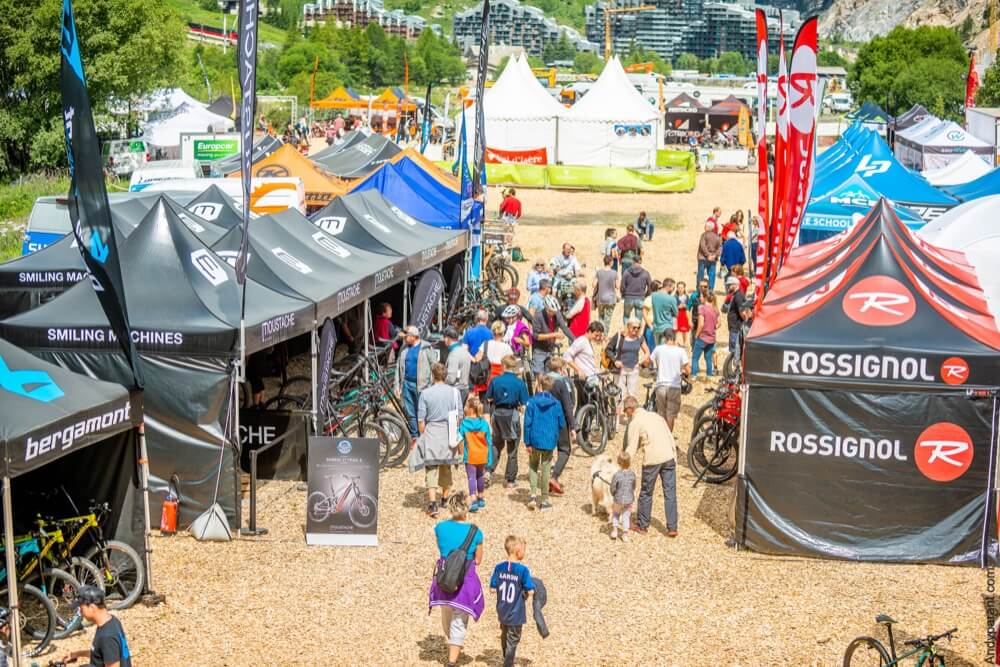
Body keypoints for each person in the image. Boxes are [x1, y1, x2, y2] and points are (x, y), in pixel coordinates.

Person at [429, 494, 485, 667]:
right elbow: (478, 560)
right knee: (459, 620)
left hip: (444, 578)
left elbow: (442, 550)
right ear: (466, 508)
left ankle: (452, 642)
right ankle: (452, 662)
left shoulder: (440, 528)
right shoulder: (476, 532)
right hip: (464, 580)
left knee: (447, 612)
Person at [622, 396, 678, 537]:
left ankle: (642, 525)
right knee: (670, 492)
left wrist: (623, 466)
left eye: (625, 411)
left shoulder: (635, 422)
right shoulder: (655, 416)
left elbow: (631, 448)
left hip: (653, 459)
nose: (625, 414)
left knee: (646, 492)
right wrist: (674, 455)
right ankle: (672, 527)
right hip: (668, 455)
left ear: (631, 409)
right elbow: (669, 435)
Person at [415, 363, 463, 516]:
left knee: (431, 467)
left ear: (432, 375)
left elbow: (421, 420)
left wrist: (424, 434)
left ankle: (432, 504)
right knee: (446, 466)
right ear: (446, 375)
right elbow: (460, 416)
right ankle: (444, 498)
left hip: (432, 430)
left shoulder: (425, 393)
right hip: (448, 430)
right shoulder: (455, 392)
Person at [490, 536, 535, 667]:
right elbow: (530, 589)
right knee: (513, 638)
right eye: (524, 550)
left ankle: (506, 657)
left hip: (502, 610)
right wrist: (532, 590)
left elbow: (493, 588)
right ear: (517, 550)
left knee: (504, 634)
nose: (525, 553)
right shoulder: (523, 570)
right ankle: (508, 663)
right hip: (516, 612)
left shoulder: (499, 567)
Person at [485, 356, 530, 489]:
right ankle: (510, 480)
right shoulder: (519, 382)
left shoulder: (495, 380)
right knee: (512, 448)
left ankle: (488, 471)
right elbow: (524, 405)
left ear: (504, 366)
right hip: (512, 415)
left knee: (496, 444)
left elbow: (488, 399)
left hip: (498, 414)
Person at [523, 374, 566, 511]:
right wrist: (554, 433)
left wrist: (527, 442)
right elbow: (561, 423)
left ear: (540, 386)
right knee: (546, 467)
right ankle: (545, 499)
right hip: (549, 441)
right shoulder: (556, 403)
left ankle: (532, 495)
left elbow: (527, 423)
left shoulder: (532, 402)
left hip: (535, 439)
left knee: (533, 466)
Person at [61, 586, 132, 667]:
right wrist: (76, 654)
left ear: (91, 607)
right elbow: (101, 653)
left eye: (81, 608)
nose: (80, 612)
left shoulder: (107, 637)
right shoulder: (112, 620)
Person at [545, 357, 577, 496]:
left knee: (546, 450)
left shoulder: (543, 380)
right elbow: (567, 406)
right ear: (560, 369)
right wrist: (573, 426)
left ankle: (544, 478)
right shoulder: (562, 383)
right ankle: (554, 476)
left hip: (544, 419)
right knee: (564, 450)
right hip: (560, 420)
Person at [397, 326, 436, 438]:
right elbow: (398, 368)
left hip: (422, 386)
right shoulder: (404, 348)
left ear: (414, 337)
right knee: (410, 412)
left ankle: (424, 436)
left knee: (422, 412)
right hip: (406, 384)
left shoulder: (426, 348)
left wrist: (431, 385)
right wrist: (397, 385)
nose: (404, 338)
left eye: (407, 336)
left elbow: (434, 366)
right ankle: (415, 436)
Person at [647, 330, 690, 432]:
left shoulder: (658, 349)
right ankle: (668, 439)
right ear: (674, 338)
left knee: (662, 414)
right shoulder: (680, 351)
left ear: (665, 338)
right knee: (670, 415)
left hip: (660, 385)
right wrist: (685, 374)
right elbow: (688, 369)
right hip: (674, 386)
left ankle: (661, 437)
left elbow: (648, 361)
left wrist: (642, 365)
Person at [459, 396, 493, 512]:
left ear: (470, 409)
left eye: (466, 406)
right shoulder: (484, 424)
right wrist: (489, 458)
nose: (465, 408)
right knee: (480, 476)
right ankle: (481, 497)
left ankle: (473, 499)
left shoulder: (464, 424)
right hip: (482, 454)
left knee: (471, 477)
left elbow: (459, 438)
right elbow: (489, 441)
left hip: (471, 455)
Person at [607, 317, 648, 404]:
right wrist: (615, 361)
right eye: (634, 327)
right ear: (628, 326)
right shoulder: (620, 336)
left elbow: (647, 352)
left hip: (633, 369)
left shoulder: (640, 338)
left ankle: (629, 414)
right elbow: (608, 350)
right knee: (619, 394)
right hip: (620, 369)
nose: (636, 330)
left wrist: (640, 361)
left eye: (638, 327)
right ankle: (618, 414)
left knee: (631, 394)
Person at [529, 296, 573, 376]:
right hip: (539, 350)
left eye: (555, 311)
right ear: (546, 309)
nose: (554, 313)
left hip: (550, 349)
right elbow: (536, 336)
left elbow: (564, 328)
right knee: (539, 376)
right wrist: (554, 334)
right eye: (552, 311)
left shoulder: (557, 314)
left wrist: (574, 339)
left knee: (550, 376)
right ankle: (538, 388)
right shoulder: (538, 316)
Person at [692, 291, 719, 380]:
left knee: (695, 358)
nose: (700, 298)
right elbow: (718, 324)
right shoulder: (715, 309)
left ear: (705, 298)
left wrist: (696, 335)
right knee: (708, 358)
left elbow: (701, 324)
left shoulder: (702, 308)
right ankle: (709, 376)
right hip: (711, 338)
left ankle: (693, 376)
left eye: (701, 296)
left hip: (702, 337)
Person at [610, 451, 636, 542]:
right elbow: (634, 486)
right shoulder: (632, 474)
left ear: (618, 463)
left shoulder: (617, 475)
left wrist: (613, 493)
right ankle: (625, 534)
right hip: (629, 500)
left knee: (616, 514)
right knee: (626, 516)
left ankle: (614, 531)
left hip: (618, 499)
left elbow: (613, 487)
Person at [723, 276, 751, 356]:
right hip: (735, 326)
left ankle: (734, 367)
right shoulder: (737, 294)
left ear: (735, 285)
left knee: (734, 351)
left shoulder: (738, 296)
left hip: (736, 327)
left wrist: (746, 322)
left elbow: (742, 312)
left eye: (729, 285)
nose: (728, 287)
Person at [444, 327, 472, 403]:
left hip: (457, 391)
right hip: (463, 389)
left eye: (445, 338)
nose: (444, 340)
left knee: (453, 414)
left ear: (448, 339)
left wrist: (441, 381)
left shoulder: (454, 354)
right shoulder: (464, 351)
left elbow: (451, 378)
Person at [620, 256, 651, 324]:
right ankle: (637, 333)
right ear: (641, 262)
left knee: (626, 316)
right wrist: (646, 295)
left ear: (632, 262)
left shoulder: (627, 272)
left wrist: (623, 294)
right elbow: (650, 286)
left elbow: (622, 286)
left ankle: (626, 331)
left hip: (628, 297)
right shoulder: (645, 273)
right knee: (638, 319)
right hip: (640, 297)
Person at [593, 255, 619, 334]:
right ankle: (605, 335)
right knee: (608, 319)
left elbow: (593, 284)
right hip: (611, 299)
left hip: (600, 298)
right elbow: (617, 286)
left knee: (601, 317)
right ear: (611, 262)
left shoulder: (599, 272)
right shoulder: (614, 273)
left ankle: (599, 334)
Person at [650, 278, 678, 346]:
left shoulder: (653, 295)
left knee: (658, 349)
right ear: (669, 286)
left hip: (656, 327)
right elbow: (677, 314)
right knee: (665, 351)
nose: (673, 290)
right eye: (673, 288)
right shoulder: (671, 298)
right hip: (667, 327)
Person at [697, 221, 722, 292]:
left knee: (700, 274)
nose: (704, 227)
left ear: (708, 227)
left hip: (703, 258)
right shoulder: (717, 236)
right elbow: (720, 247)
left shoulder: (704, 235)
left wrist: (708, 255)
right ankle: (711, 290)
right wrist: (714, 255)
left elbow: (703, 246)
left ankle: (699, 289)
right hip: (713, 259)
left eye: (705, 226)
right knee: (712, 275)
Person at [675, 281, 691, 347]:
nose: (680, 289)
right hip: (678, 314)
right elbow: (673, 306)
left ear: (684, 288)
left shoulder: (687, 296)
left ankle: (684, 343)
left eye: (682, 288)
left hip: (684, 314)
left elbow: (689, 306)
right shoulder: (675, 297)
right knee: (676, 329)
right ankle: (675, 342)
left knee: (684, 330)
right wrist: (678, 306)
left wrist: (685, 306)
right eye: (679, 288)